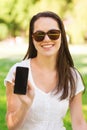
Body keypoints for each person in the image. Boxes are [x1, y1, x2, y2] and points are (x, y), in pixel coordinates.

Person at [4, 11, 87, 130]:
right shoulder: (19, 72)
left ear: (62, 36)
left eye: (53, 33)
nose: (46, 39)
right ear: (32, 39)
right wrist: (25, 105)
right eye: (39, 35)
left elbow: (79, 123)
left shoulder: (72, 76)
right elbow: (12, 126)